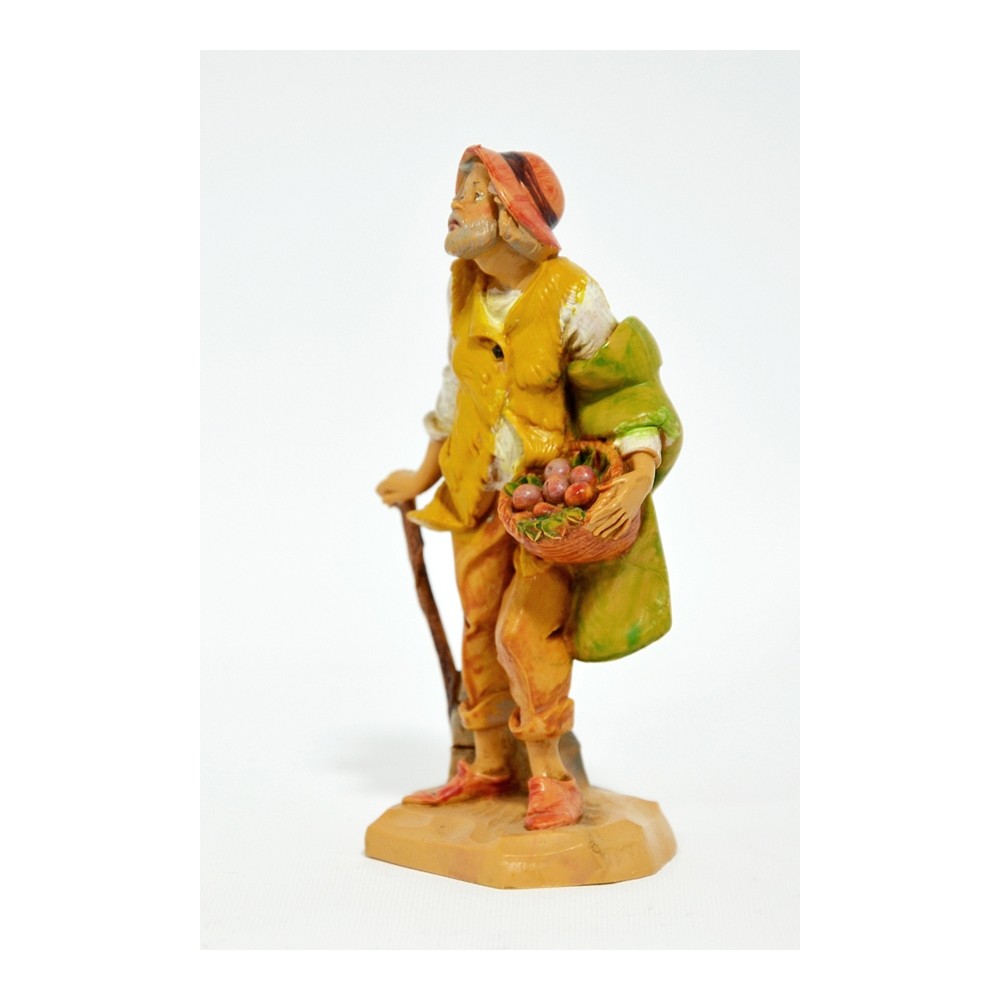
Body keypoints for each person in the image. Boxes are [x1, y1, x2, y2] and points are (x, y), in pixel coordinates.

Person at [377, 146, 681, 830]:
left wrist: (637, 472)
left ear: (513, 215)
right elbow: (457, 388)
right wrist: (424, 474)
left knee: (525, 632)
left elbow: (624, 388)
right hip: (474, 492)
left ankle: (550, 774)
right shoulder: (465, 286)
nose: (456, 205)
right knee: (480, 627)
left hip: (547, 502)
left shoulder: (570, 293)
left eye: (474, 194)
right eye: (460, 191)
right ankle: (488, 764)